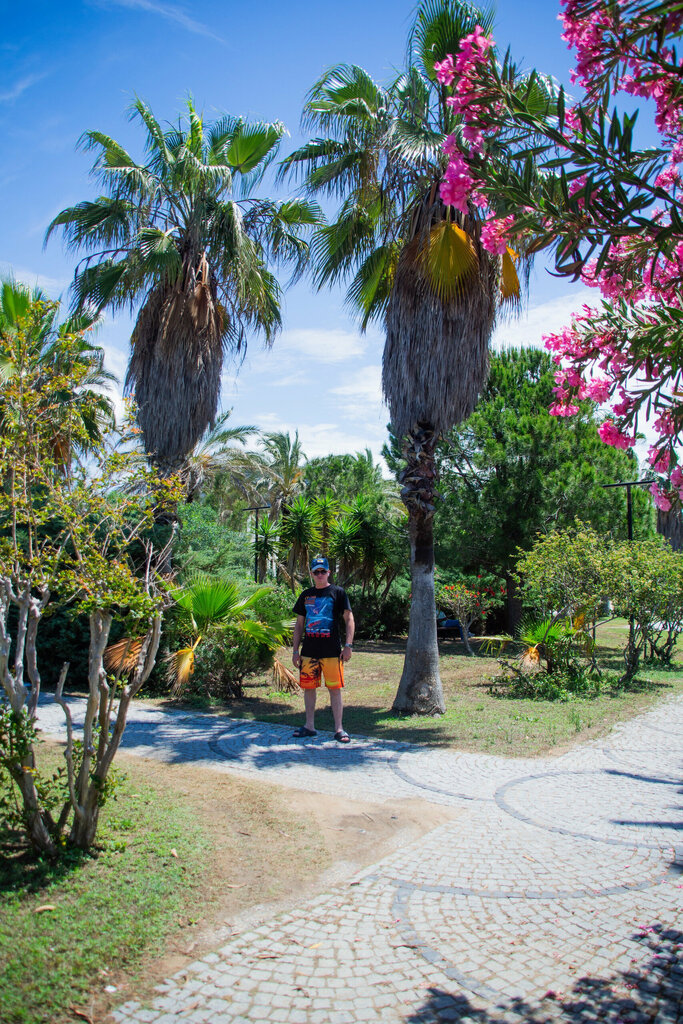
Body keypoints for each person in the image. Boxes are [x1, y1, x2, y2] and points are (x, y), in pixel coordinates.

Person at [291, 555, 354, 743]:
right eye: (316, 572)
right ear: (312, 574)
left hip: (332, 651)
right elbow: (299, 625)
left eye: (323, 571)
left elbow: (349, 619)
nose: (320, 575)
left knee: (335, 689)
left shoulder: (338, 593)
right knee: (309, 688)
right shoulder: (306, 595)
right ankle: (309, 726)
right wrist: (295, 651)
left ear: (329, 572)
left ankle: (339, 729)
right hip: (309, 651)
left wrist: (348, 645)